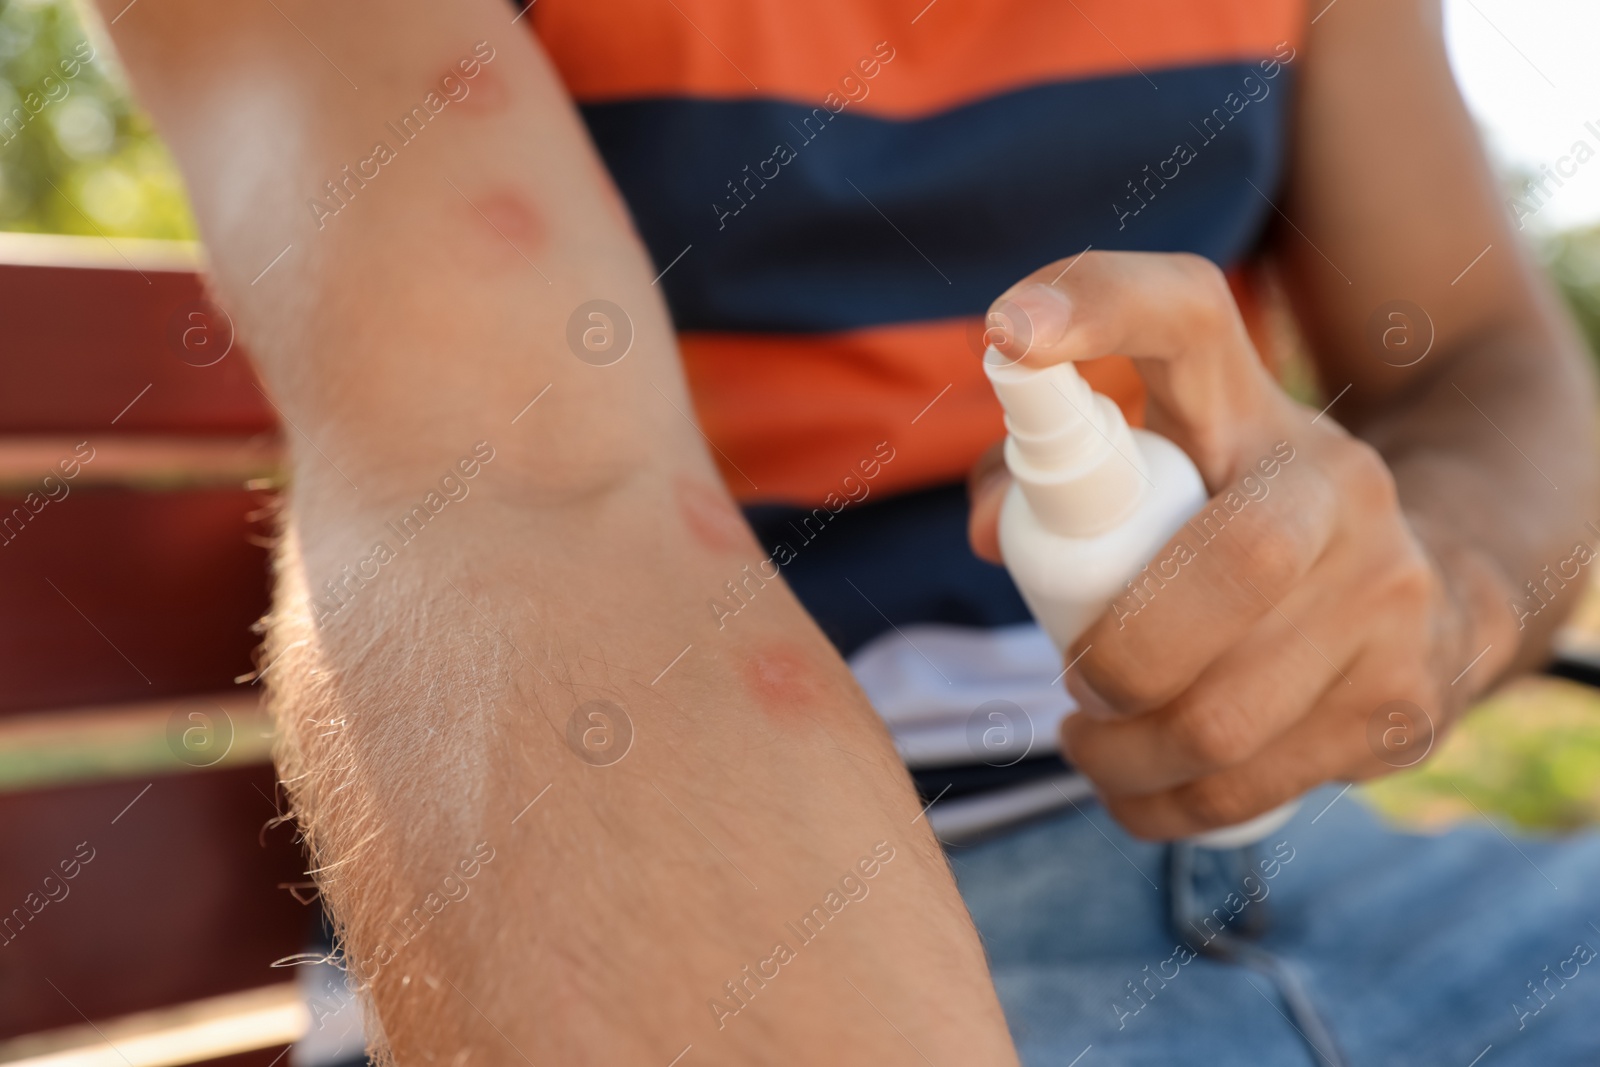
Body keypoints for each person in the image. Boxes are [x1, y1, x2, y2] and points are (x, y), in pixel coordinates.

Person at [94, 0, 1600, 1063]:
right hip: (713, 920)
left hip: (1341, 889)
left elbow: (1490, 363)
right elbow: (503, 483)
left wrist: (1440, 592)